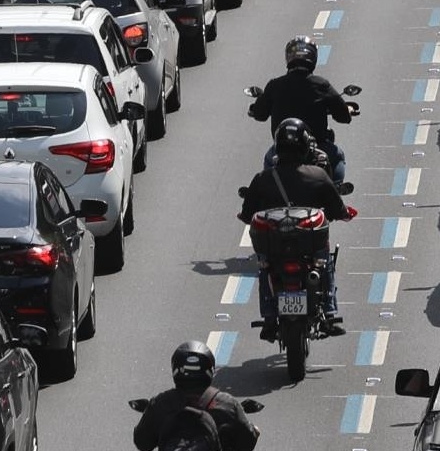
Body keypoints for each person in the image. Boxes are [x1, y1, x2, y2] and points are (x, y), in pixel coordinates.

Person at [240, 117, 351, 338]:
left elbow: (246, 213)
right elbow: (338, 209)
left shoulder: (263, 178)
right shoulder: (318, 175)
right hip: (308, 245)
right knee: (324, 262)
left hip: (275, 247)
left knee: (265, 267)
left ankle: (269, 318)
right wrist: (343, 214)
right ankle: (329, 313)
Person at [248, 35, 356, 182]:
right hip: (318, 147)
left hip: (282, 150)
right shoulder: (321, 85)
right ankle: (336, 189)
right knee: (337, 155)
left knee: (269, 160)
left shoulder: (275, 85)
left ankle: (272, 188)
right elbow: (344, 116)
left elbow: (260, 114)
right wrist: (348, 109)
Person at [131, 341, 260, 451]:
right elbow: (246, 443)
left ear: (175, 369)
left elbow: (142, 443)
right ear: (210, 369)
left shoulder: (161, 403)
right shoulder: (227, 404)